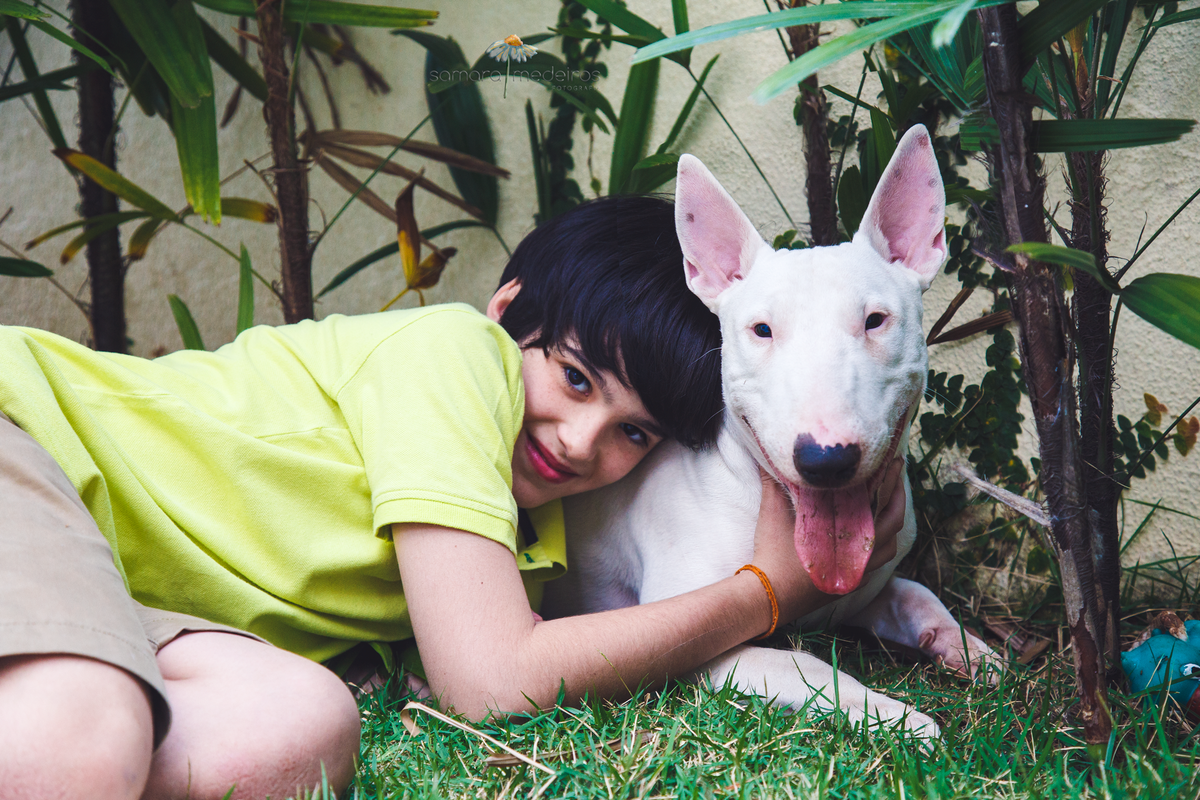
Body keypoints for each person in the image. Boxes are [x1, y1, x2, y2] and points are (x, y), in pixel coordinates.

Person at [0, 195, 906, 800]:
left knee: (293, 729)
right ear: (505, 312)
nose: (579, 441)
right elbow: (490, 684)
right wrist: (762, 592)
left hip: (119, 588)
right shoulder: (452, 353)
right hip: (24, 437)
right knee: (86, 736)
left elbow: (502, 653)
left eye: (635, 433)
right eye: (577, 379)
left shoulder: (526, 537)